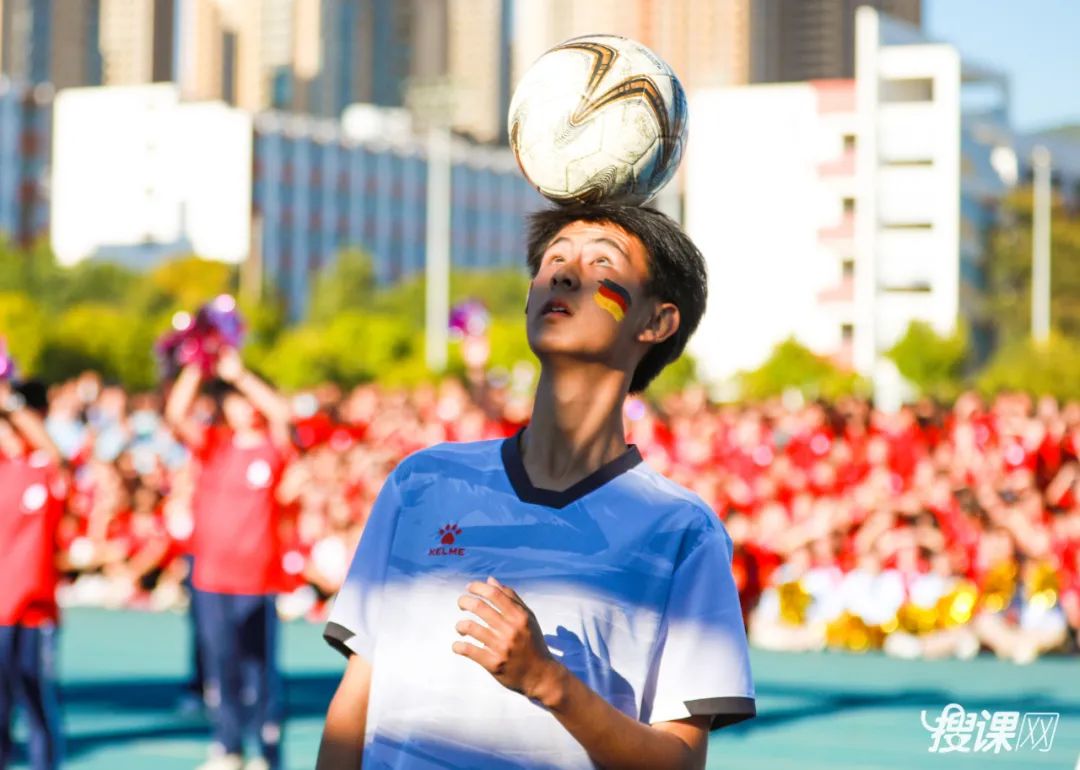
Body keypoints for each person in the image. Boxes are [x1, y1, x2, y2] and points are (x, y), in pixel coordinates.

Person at [317, 204, 756, 770]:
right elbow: (355, 701)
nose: (566, 273)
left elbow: (679, 762)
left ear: (656, 322)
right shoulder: (421, 482)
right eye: (554, 260)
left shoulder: (684, 532)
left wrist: (549, 682)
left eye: (602, 261)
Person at [164, 348, 293, 770]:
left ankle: (265, 749)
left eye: (244, 398)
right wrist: (194, 365)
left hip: (257, 577)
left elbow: (282, 414)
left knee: (259, 671)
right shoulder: (214, 444)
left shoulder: (273, 448)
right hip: (211, 576)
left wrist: (241, 375)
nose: (240, 406)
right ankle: (228, 746)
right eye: (232, 399)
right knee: (222, 667)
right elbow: (176, 413)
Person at [0, 380, 66, 770]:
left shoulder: (42, 470)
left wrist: (14, 404)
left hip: (35, 610)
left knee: (37, 703)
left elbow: (56, 455)